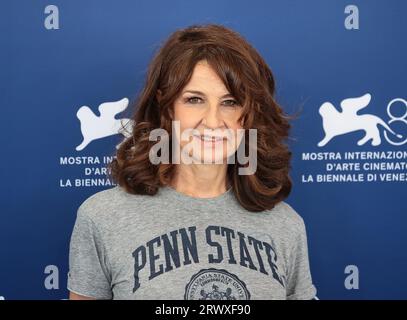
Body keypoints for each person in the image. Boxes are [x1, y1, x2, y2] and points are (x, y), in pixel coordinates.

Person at [67, 23, 317, 300]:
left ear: (251, 113)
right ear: (167, 106)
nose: (212, 121)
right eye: (194, 99)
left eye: (230, 102)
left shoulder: (286, 225)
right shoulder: (102, 217)